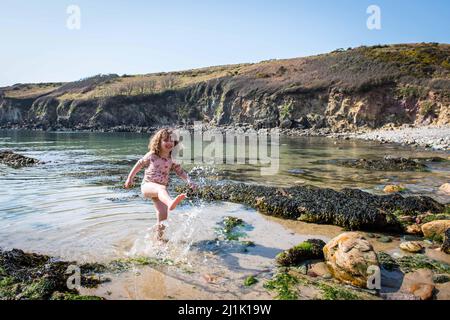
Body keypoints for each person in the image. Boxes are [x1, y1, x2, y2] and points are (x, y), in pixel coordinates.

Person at [124, 128, 196, 241]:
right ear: (159, 142)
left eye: (171, 140)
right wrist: (130, 178)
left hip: (159, 192)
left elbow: (180, 172)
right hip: (147, 185)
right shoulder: (152, 155)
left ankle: (159, 239)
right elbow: (139, 164)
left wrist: (189, 180)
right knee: (161, 188)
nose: (169, 143)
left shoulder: (172, 158)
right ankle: (170, 202)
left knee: (163, 214)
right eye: (165, 140)